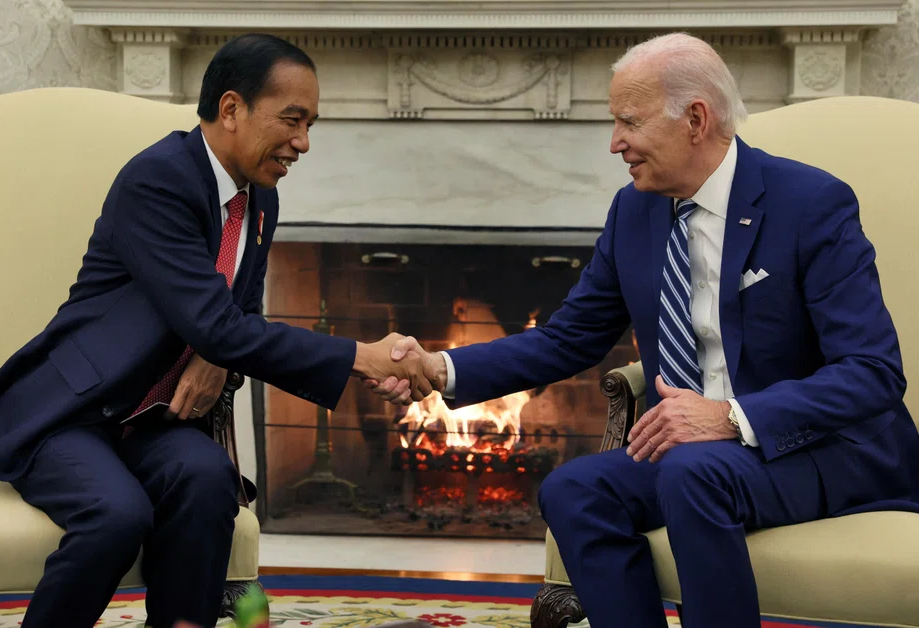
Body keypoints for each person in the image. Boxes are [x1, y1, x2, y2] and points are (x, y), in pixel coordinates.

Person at [369, 32, 919, 628]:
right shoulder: (635, 210)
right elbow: (568, 339)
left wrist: (729, 416)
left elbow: (873, 373)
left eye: (629, 122)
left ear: (696, 119)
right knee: (571, 491)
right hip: (701, 460)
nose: (615, 144)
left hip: (819, 448)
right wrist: (439, 369)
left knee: (692, 471)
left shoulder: (811, 204)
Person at [0, 34, 431, 628]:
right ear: (231, 109)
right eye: (292, 120)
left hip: (155, 419)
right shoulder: (157, 180)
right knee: (118, 515)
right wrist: (362, 357)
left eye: (311, 124)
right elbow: (217, 323)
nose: (303, 143)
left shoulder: (260, 197)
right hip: (70, 415)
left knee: (211, 483)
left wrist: (218, 356)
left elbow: (239, 322)